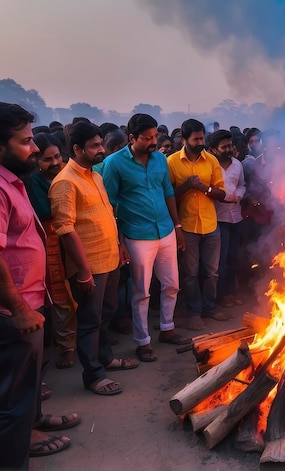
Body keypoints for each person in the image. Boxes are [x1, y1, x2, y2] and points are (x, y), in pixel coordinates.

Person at [0, 103, 77, 467]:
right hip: (13, 310)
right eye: (25, 142)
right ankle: (19, 448)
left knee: (30, 380)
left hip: (31, 298)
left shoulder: (14, 181)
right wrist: (18, 309)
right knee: (12, 398)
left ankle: (35, 421)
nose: (34, 148)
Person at [49, 121, 139, 395]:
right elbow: (65, 230)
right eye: (95, 146)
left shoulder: (95, 175)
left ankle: (105, 359)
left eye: (101, 144)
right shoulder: (65, 182)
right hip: (90, 266)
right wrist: (84, 271)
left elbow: (107, 216)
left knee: (105, 315)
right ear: (77, 149)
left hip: (110, 258)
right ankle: (93, 375)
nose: (101, 150)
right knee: (89, 320)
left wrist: (120, 245)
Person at [103, 113, 189, 363]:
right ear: (132, 138)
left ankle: (167, 328)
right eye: (147, 138)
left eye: (155, 137)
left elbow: (168, 192)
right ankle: (142, 341)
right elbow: (111, 205)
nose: (153, 142)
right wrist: (120, 242)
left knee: (172, 284)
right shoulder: (114, 163)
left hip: (166, 230)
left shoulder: (160, 159)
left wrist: (178, 226)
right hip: (137, 235)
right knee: (141, 291)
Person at [167, 120, 228, 330]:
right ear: (184, 140)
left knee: (212, 272)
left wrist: (203, 188)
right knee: (190, 273)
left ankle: (210, 307)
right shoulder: (172, 162)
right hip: (187, 226)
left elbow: (221, 194)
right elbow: (169, 196)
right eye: (196, 139)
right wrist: (187, 185)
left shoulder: (211, 160)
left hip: (211, 226)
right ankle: (194, 312)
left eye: (202, 138)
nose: (201, 142)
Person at [26, 133, 77, 369]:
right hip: (52, 242)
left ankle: (85, 337)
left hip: (76, 237)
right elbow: (47, 212)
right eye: (48, 159)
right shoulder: (34, 180)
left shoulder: (70, 171)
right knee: (61, 296)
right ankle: (67, 346)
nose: (55, 162)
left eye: (58, 156)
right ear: (37, 160)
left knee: (83, 290)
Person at [213, 131, 246, 308]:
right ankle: (221, 296)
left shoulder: (237, 165)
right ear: (213, 149)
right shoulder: (211, 165)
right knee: (221, 260)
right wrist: (224, 197)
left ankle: (231, 293)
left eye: (229, 146)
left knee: (234, 258)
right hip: (218, 218)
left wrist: (237, 196)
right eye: (223, 147)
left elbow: (242, 185)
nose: (228, 149)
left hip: (236, 216)